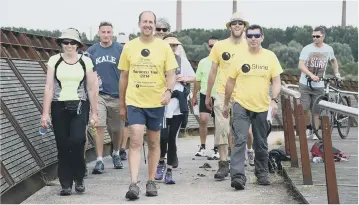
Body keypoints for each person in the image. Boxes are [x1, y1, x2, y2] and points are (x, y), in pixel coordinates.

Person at [118, 11, 177, 200]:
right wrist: (122, 104)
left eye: (151, 22)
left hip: (156, 102)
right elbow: (124, 77)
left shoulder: (164, 47)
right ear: (139, 24)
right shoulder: (129, 47)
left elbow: (171, 73)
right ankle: (133, 183)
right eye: (145, 22)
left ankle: (150, 181)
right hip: (135, 101)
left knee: (153, 142)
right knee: (135, 139)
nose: (148, 25)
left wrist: (168, 91)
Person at [222, 24, 282, 190]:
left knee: (261, 142)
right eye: (250, 36)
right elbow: (230, 81)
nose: (253, 39)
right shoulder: (239, 57)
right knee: (240, 140)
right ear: (246, 38)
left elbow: (276, 81)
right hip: (241, 104)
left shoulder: (270, 57)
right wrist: (226, 104)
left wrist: (274, 99)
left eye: (256, 35)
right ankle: (238, 177)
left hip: (262, 106)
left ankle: (261, 173)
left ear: (262, 37)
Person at [40, 28, 98, 195]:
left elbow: (92, 88)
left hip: (80, 104)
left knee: (77, 141)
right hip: (59, 105)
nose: (69, 45)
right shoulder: (54, 60)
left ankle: (79, 177)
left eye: (72, 42)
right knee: (63, 145)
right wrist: (45, 113)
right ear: (61, 44)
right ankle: (66, 183)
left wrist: (94, 113)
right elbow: (49, 87)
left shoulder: (85, 61)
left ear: (78, 44)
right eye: (65, 42)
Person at [205, 12, 249, 180]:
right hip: (223, 93)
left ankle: (237, 162)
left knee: (239, 130)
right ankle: (223, 164)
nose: (237, 26)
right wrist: (208, 95)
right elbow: (213, 71)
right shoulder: (220, 46)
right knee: (222, 127)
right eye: (234, 23)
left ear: (244, 26)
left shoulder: (249, 46)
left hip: (243, 94)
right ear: (229, 27)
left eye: (240, 23)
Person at [155, 34, 196, 184]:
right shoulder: (157, 61)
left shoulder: (181, 61)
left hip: (178, 105)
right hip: (163, 104)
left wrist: (184, 78)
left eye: (174, 46)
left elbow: (194, 77)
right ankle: (160, 162)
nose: (172, 49)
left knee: (172, 138)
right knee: (163, 137)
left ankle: (170, 169)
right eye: (169, 46)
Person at [87, 21, 125, 173]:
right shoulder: (92, 50)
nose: (106, 35)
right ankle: (99, 159)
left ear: (112, 33)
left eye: (109, 32)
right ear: (99, 33)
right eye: (104, 32)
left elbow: (125, 72)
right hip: (100, 95)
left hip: (116, 94)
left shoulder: (120, 49)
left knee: (116, 129)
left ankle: (115, 152)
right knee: (99, 126)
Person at [298, 26, 340, 140]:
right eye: (313, 36)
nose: (314, 38)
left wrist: (337, 73)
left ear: (323, 36)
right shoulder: (307, 49)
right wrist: (311, 75)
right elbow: (301, 65)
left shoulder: (328, 49)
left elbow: (333, 60)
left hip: (319, 85)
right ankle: (309, 128)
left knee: (316, 110)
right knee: (305, 108)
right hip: (305, 83)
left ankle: (316, 131)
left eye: (317, 36)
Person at [192, 36, 219, 159]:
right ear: (208, 47)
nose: (212, 48)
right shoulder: (203, 62)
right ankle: (202, 146)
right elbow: (197, 80)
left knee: (218, 123)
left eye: (215, 46)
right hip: (204, 94)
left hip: (218, 95)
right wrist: (194, 96)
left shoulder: (223, 62)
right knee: (203, 119)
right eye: (211, 46)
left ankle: (217, 148)